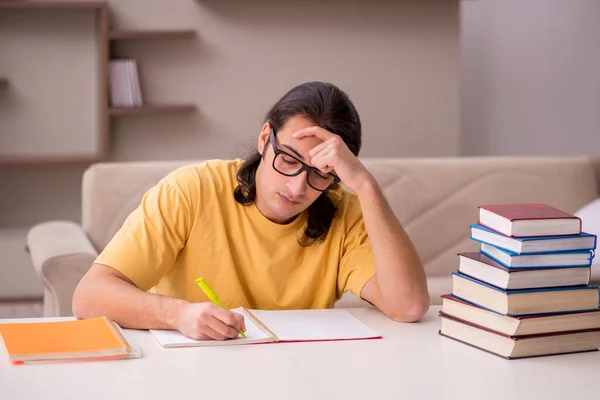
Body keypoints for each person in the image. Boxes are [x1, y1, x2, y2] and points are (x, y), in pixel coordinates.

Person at [72, 81, 429, 341]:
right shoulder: (192, 190)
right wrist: (178, 314)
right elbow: (89, 297)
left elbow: (409, 306)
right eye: (288, 159)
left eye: (323, 173)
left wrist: (365, 185)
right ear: (264, 139)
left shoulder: (344, 211)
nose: (297, 187)